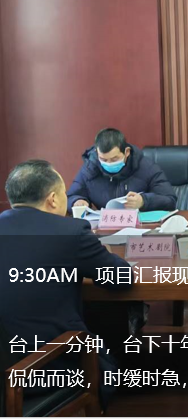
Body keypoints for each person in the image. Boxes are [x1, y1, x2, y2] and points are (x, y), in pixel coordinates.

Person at [1, 160, 132, 409]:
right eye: (64, 194)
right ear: (52, 199)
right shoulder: (70, 232)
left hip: (5, 368)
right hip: (46, 367)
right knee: (107, 358)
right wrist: (103, 253)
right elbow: (121, 278)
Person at [68, 128, 176, 212]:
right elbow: (69, 197)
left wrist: (144, 201)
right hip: (105, 228)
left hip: (140, 227)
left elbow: (169, 200)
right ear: (97, 153)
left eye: (114, 159)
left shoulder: (146, 167)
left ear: (127, 152)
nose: (109, 163)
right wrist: (76, 202)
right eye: (104, 159)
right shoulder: (90, 169)